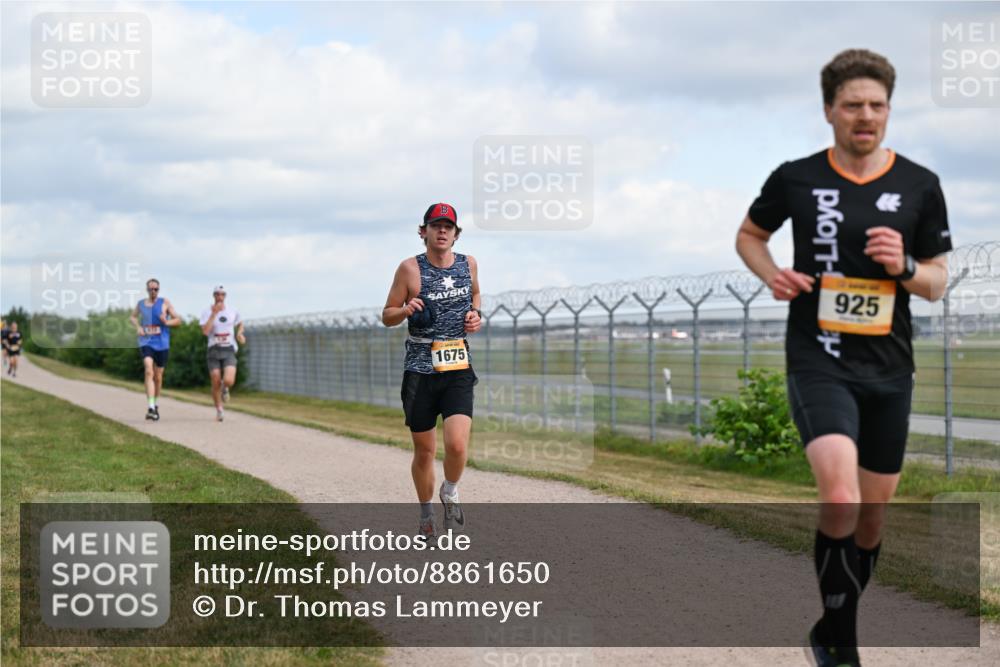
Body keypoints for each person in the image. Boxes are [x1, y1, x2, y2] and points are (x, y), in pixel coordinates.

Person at [735, 49, 952, 667]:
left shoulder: (919, 185)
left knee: (872, 517)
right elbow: (750, 235)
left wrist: (905, 266)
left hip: (889, 367)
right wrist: (772, 274)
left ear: (889, 111)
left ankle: (832, 627)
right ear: (829, 110)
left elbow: (937, 282)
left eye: (877, 105)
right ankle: (841, 642)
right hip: (818, 357)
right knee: (840, 493)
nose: (866, 116)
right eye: (853, 104)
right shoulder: (796, 177)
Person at [382, 203, 482, 544]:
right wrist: (405, 308)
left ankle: (450, 491)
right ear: (423, 231)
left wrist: (476, 314)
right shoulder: (410, 269)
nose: (442, 231)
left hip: (457, 366)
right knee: (424, 451)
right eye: (435, 226)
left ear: (456, 234)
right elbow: (387, 314)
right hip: (420, 371)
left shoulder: (469, 264)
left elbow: (476, 294)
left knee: (456, 444)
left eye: (448, 226)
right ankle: (426, 516)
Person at [129, 279, 182, 421]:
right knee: (148, 370)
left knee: (158, 377)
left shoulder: (165, 303)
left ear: (159, 289)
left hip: (162, 344)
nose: (153, 292)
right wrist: (139, 327)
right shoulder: (141, 304)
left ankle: (156, 404)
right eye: (150, 289)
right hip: (146, 341)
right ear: (147, 290)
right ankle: (151, 407)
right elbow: (132, 317)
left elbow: (178, 320)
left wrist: (167, 322)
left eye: (156, 289)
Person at [200, 285, 245, 422]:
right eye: (217, 294)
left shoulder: (232, 311)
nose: (220, 297)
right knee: (215, 379)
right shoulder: (206, 312)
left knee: (229, 380)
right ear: (213, 296)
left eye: (222, 294)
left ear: (225, 296)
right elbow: (205, 331)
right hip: (214, 349)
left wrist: (239, 333)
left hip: (228, 348)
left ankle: (225, 388)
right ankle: (219, 409)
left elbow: (240, 323)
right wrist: (214, 314)